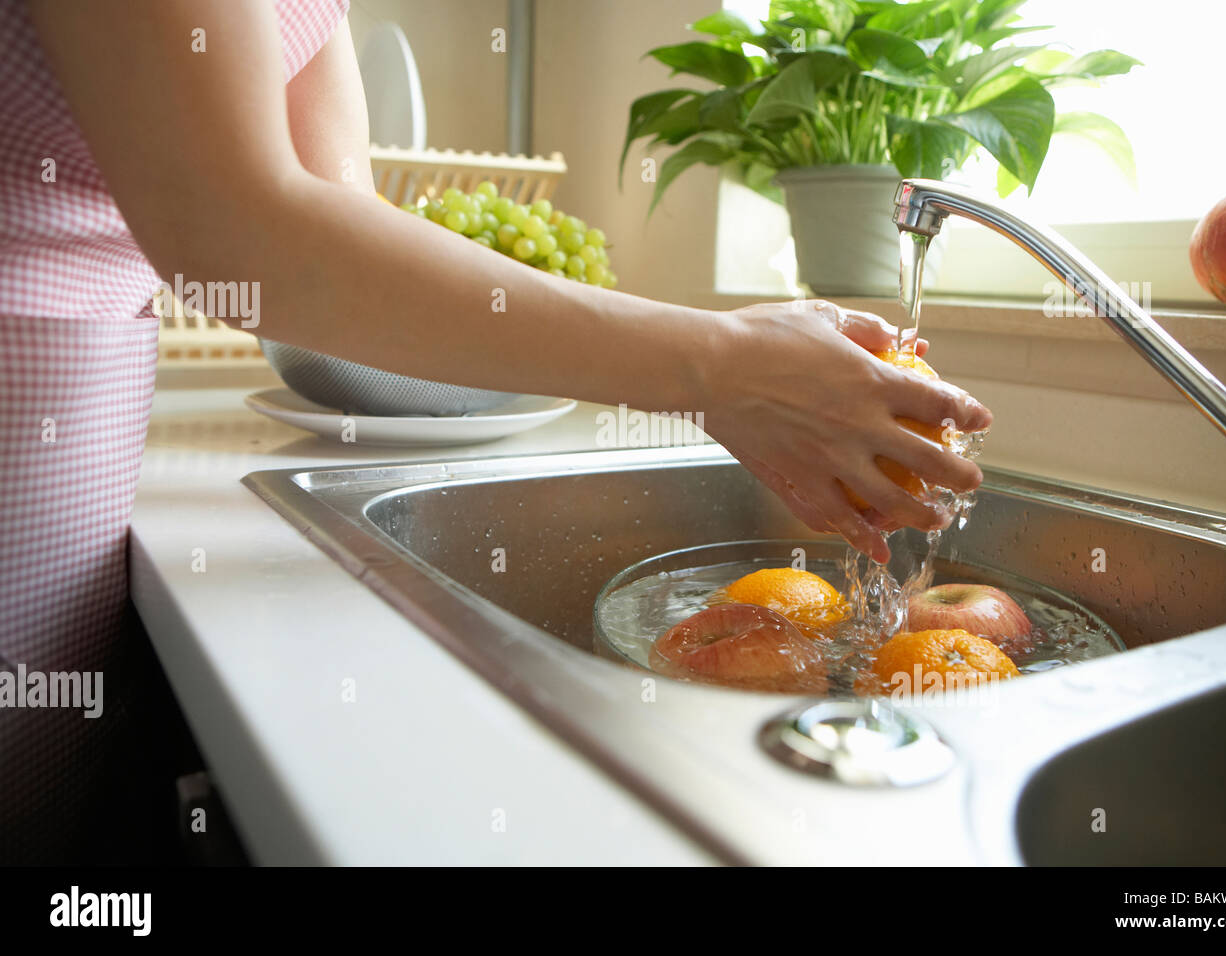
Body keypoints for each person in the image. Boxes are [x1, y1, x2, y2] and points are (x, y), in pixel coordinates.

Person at [0, 0, 991, 863]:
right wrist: (720, 363)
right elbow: (236, 226)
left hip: (79, 394)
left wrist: (725, 366)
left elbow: (321, 238)